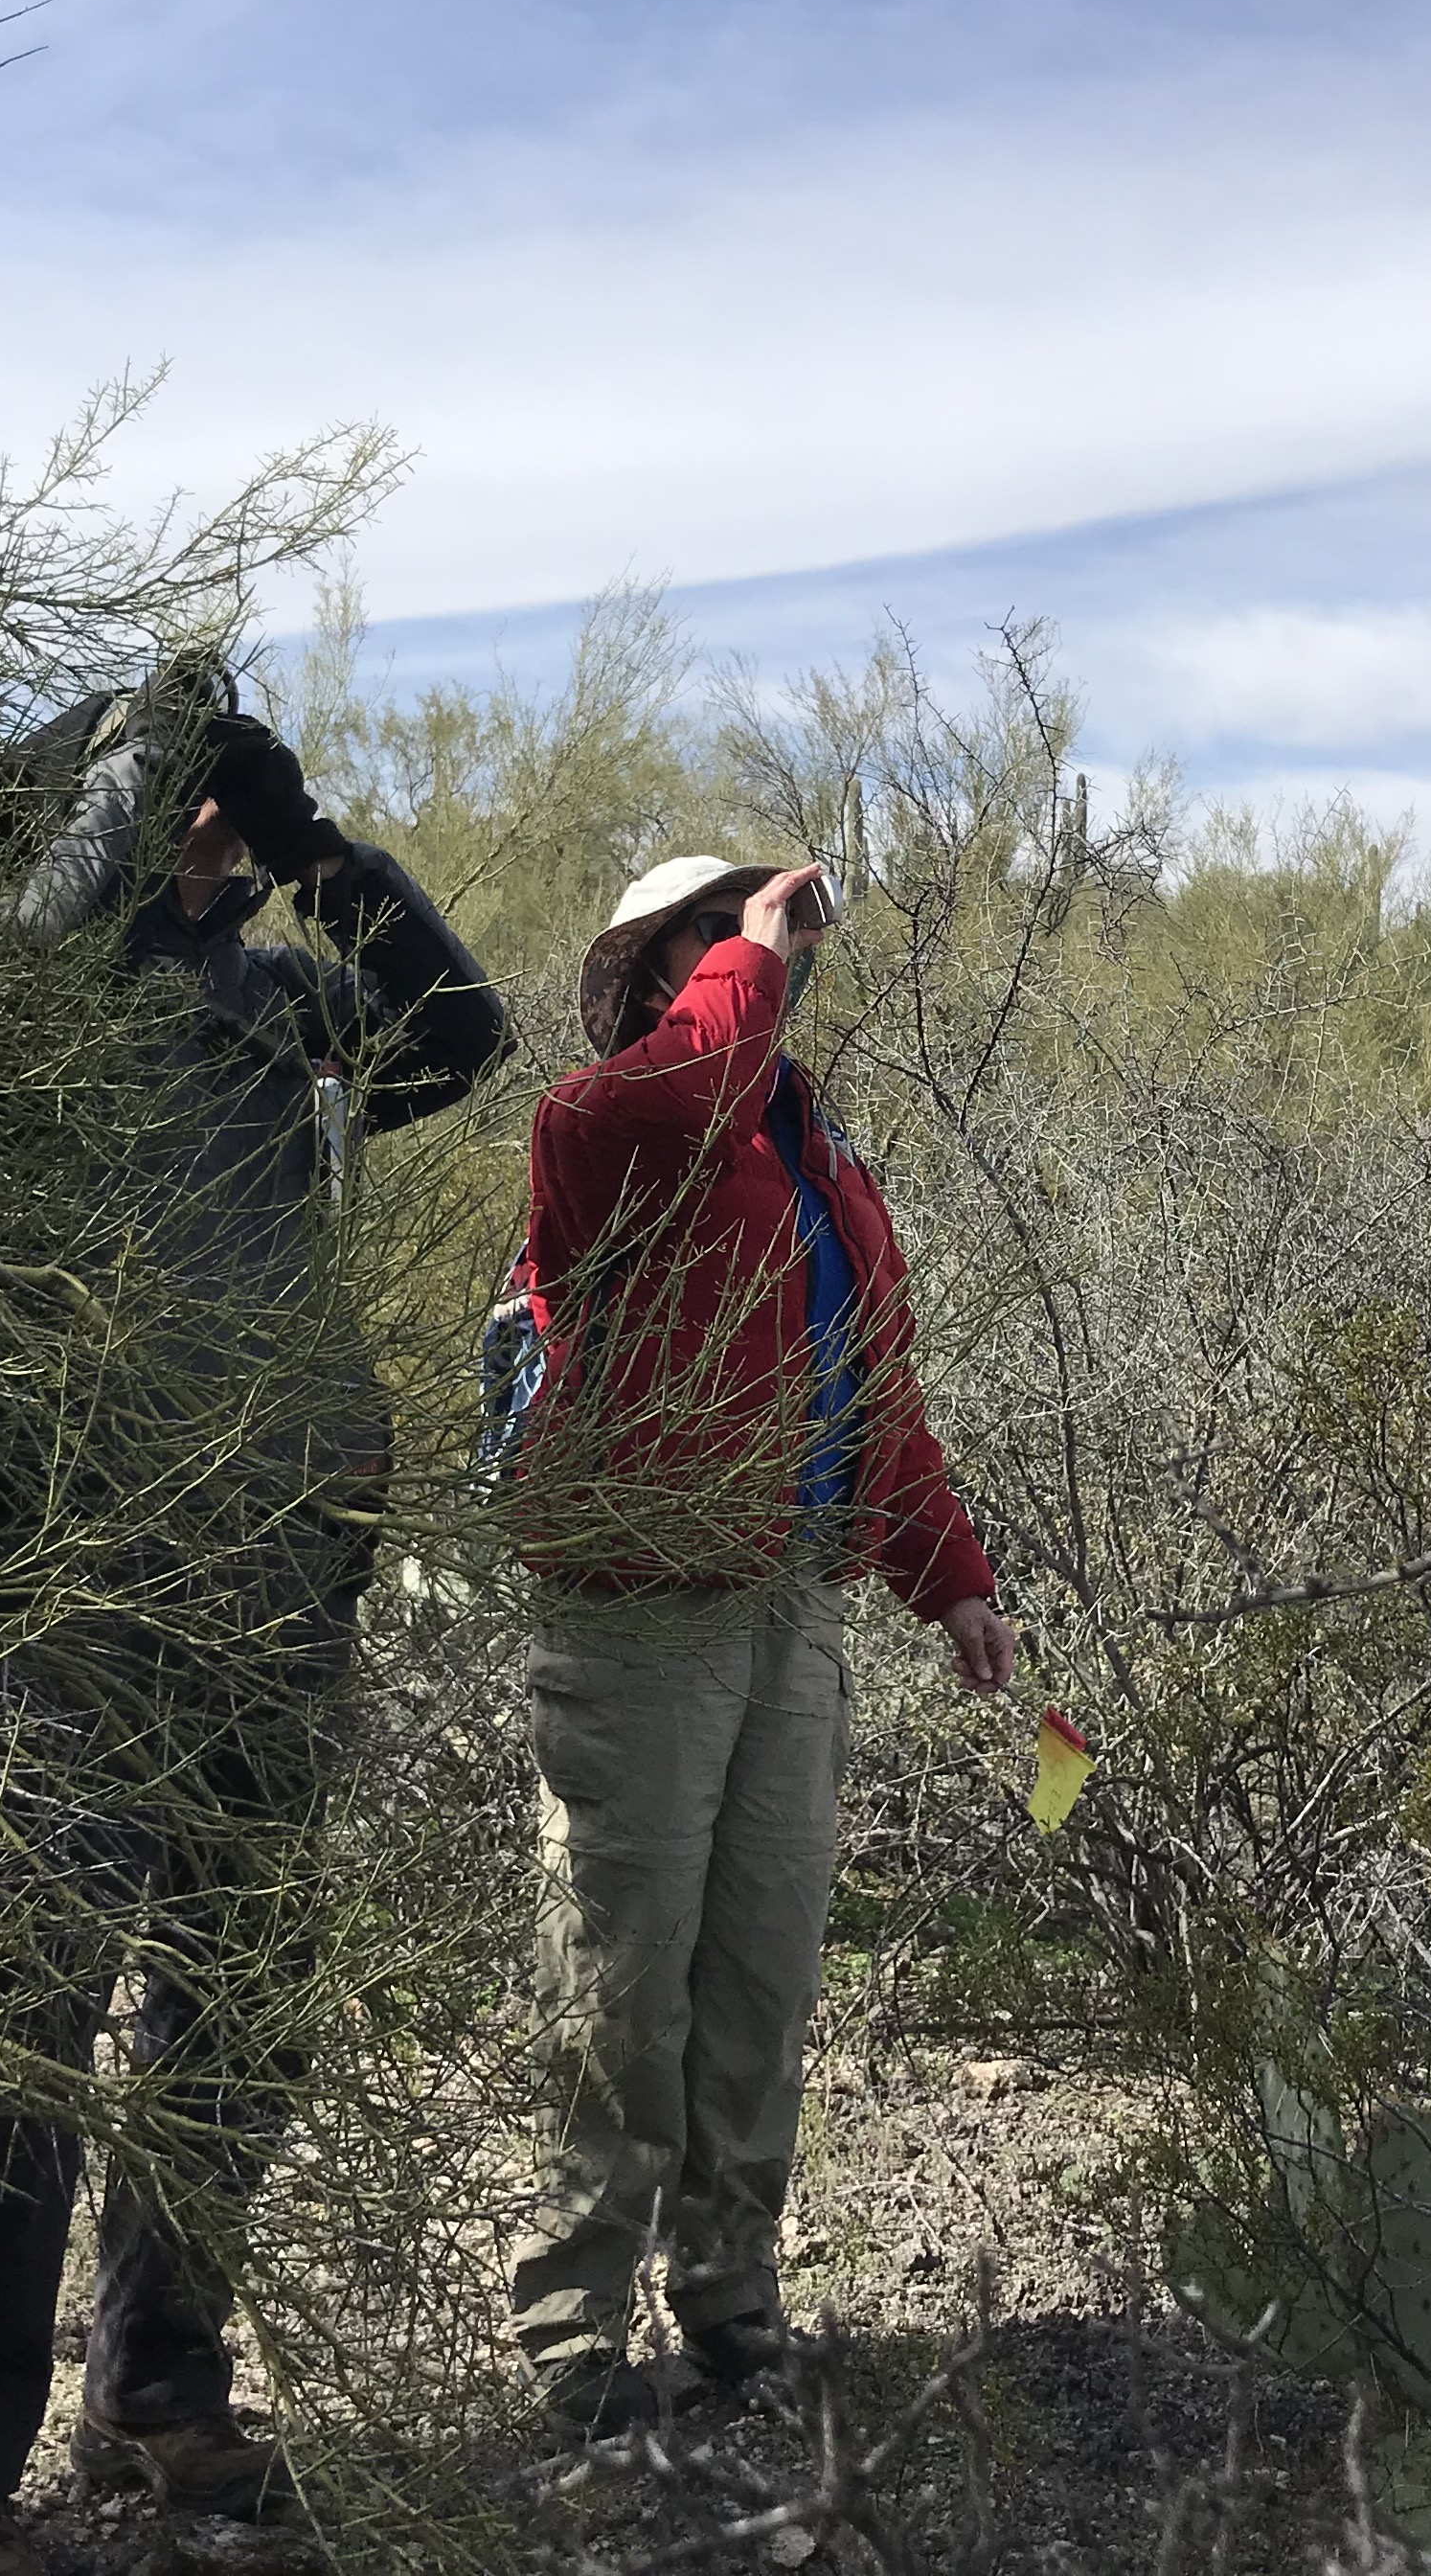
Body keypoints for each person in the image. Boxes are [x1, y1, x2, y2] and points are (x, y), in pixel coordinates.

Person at [0, 673, 507, 2576]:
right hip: (76, 1567)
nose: (211, 824)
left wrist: (319, 850)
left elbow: (460, 1032)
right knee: (30, 2014)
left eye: (210, 800)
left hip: (280, 1558)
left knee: (234, 2000)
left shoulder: (285, 1006)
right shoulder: (38, 1007)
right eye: (180, 805)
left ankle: (160, 2392)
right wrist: (135, 774)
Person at [502, 853, 1016, 2438]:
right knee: (619, 1967)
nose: (764, 955)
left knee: (762, 1969)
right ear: (664, 971)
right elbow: (647, 1111)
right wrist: (751, 956)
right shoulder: (610, 1124)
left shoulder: (811, 1154)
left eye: (756, 935)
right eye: (719, 939)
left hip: (792, 1596)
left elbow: (877, 1382)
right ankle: (573, 2328)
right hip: (643, 1597)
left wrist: (951, 1574)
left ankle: (729, 2294)